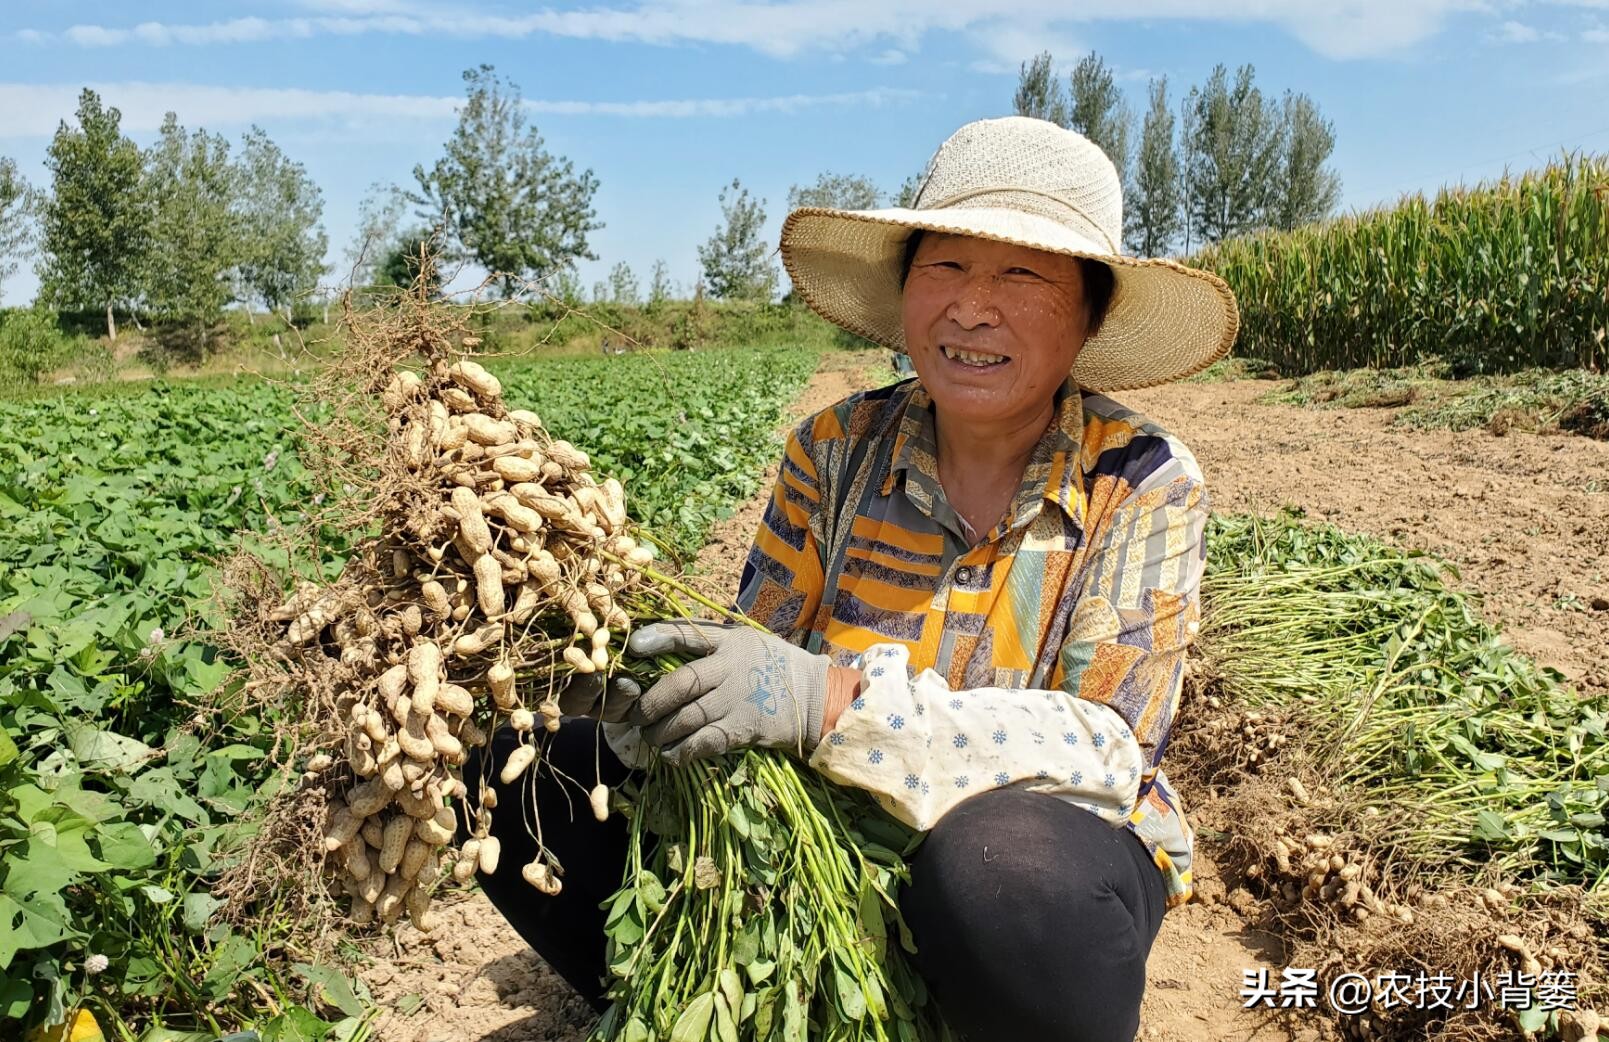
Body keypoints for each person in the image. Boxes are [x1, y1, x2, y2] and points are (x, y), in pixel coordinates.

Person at [464, 116, 1239, 1042]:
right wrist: (651, 702)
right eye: (943, 269)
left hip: (1036, 857)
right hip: (823, 830)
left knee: (999, 864)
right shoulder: (833, 449)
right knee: (527, 764)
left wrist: (830, 701)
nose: (970, 309)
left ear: (1089, 314)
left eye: (1020, 276)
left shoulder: (1143, 480)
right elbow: (752, 660)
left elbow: (1111, 750)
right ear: (906, 290)